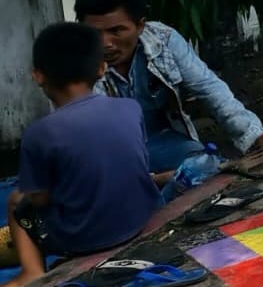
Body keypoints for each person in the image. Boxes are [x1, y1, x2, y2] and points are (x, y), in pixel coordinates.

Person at [73, 0, 263, 184]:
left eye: (116, 31)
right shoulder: (74, 64)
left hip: (164, 142)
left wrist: (254, 134)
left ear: (140, 26)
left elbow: (208, 87)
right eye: (94, 33)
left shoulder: (163, 39)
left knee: (205, 169)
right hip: (111, 160)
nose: (105, 44)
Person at [3, 24, 160, 287]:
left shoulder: (39, 133)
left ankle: (32, 272)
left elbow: (39, 199)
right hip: (141, 218)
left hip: (85, 238)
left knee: (16, 201)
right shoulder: (130, 108)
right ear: (101, 68)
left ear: (38, 76)